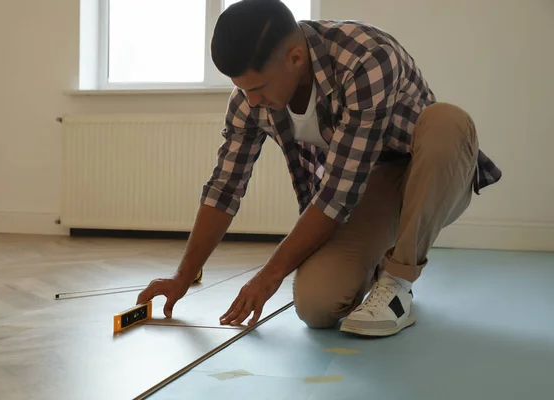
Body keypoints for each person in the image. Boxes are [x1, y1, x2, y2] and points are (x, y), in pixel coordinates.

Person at [136, 0, 501, 337]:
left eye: (259, 87)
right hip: (371, 186)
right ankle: (376, 268)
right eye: (242, 89)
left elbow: (337, 193)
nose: (252, 100)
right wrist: (182, 276)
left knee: (445, 121)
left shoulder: (366, 57)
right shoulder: (250, 101)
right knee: (317, 305)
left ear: (295, 58)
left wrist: (268, 276)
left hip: (435, 173)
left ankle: (397, 284)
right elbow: (224, 188)